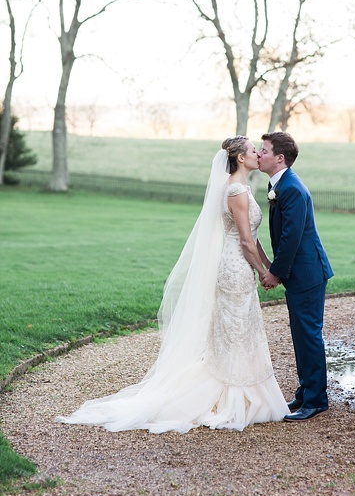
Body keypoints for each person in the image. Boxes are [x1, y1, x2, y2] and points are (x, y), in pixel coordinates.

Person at [57, 137, 288, 433]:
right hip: (234, 267)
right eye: (253, 150)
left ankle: (243, 393)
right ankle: (232, 398)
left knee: (241, 330)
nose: (258, 153)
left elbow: (253, 238)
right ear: (241, 159)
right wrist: (262, 271)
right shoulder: (235, 190)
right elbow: (244, 241)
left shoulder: (240, 187)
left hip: (243, 265)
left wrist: (269, 268)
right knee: (235, 331)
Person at [258, 131, 334, 422]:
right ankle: (305, 391)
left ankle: (316, 399)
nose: (258, 154)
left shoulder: (291, 189)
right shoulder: (279, 184)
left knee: (309, 335)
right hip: (300, 272)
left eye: (263, 150)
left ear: (279, 158)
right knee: (301, 334)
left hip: (307, 272)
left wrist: (275, 273)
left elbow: (291, 238)